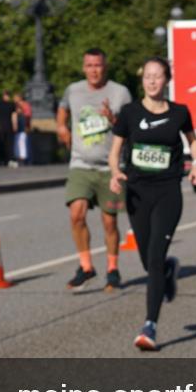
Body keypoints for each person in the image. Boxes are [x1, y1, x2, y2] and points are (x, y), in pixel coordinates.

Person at [109, 57, 196, 351]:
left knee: (153, 258)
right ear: (143, 81)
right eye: (147, 76)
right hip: (137, 192)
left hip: (167, 192)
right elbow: (115, 152)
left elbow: (193, 141)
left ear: (167, 80)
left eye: (157, 76)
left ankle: (149, 326)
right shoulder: (129, 112)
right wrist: (115, 173)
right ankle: (167, 270)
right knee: (147, 260)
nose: (152, 81)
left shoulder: (179, 112)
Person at [57, 48, 132, 291]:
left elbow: (130, 127)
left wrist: (113, 119)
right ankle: (86, 266)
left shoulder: (120, 93)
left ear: (105, 66)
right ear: (83, 67)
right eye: (89, 65)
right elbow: (63, 109)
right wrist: (61, 127)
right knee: (76, 214)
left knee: (109, 222)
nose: (93, 70)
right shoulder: (73, 90)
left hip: (110, 167)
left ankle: (112, 269)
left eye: (97, 65)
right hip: (80, 163)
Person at [11, 96, 30, 166]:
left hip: (22, 132)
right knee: (17, 145)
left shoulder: (22, 116)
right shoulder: (17, 115)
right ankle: (19, 158)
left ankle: (22, 158)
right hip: (18, 132)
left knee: (22, 145)